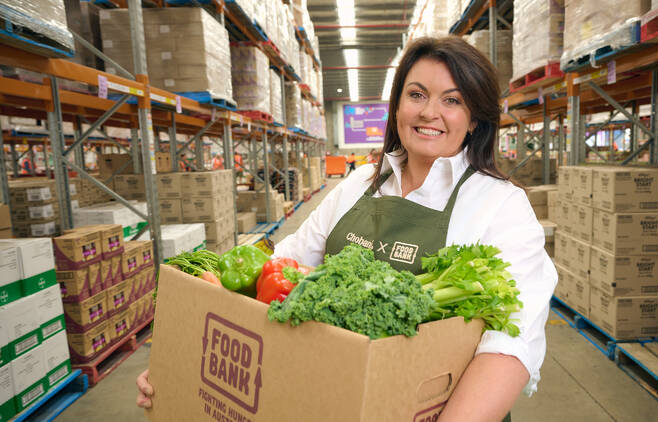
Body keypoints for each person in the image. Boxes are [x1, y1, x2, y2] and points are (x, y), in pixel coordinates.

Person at [136, 36, 556, 421]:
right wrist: (186, 366)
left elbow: (509, 345)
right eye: (417, 95)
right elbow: (284, 265)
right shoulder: (357, 185)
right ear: (397, 107)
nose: (430, 112)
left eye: (452, 100)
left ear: (476, 121)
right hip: (328, 396)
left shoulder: (501, 205)